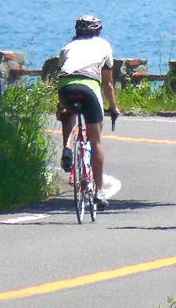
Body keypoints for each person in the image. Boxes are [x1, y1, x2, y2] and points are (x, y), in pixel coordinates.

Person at [57, 14, 120, 208]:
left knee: (68, 113)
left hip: (65, 88)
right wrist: (114, 107)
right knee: (95, 140)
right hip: (89, 88)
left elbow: (62, 72)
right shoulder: (104, 46)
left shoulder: (67, 47)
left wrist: (59, 106)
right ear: (98, 31)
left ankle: (67, 147)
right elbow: (108, 83)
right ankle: (99, 191)